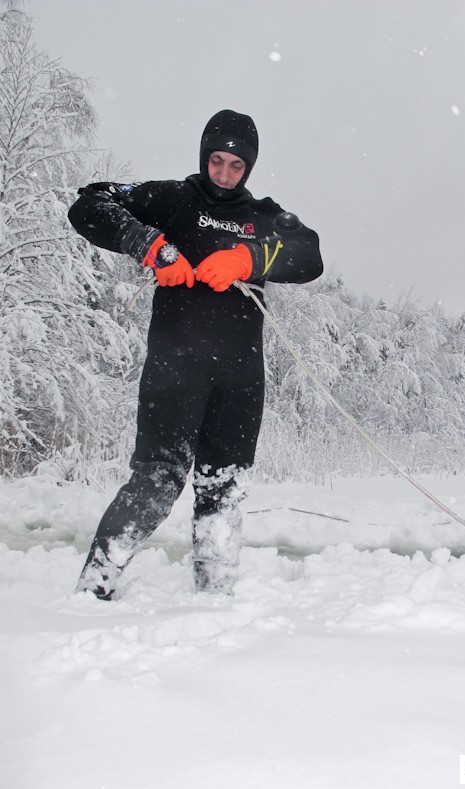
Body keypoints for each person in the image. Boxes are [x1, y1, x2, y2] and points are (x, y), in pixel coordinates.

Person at [68, 109, 323, 600]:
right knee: (158, 482)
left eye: (236, 166)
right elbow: (90, 204)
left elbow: (309, 253)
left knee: (223, 489)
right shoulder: (172, 199)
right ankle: (93, 590)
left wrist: (247, 258)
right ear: (204, 156)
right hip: (174, 372)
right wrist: (151, 246)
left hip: (240, 380)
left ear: (248, 168)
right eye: (217, 161)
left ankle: (214, 599)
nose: (224, 174)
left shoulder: (263, 216)